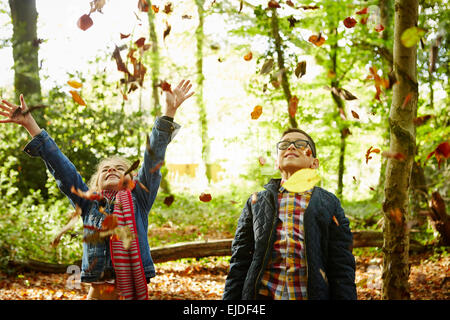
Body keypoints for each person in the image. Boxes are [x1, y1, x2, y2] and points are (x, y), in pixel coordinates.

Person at [0, 80, 194, 300]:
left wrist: (169, 112)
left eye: (119, 169)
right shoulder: (88, 203)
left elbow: (153, 158)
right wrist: (30, 125)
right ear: (96, 183)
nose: (111, 169)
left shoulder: (139, 198)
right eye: (105, 170)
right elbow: (63, 169)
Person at [223, 128, 356, 300]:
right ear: (277, 163)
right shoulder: (256, 203)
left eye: (301, 145)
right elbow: (239, 262)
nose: (291, 147)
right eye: (284, 145)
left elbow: (342, 265)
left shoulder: (329, 203)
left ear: (313, 163)